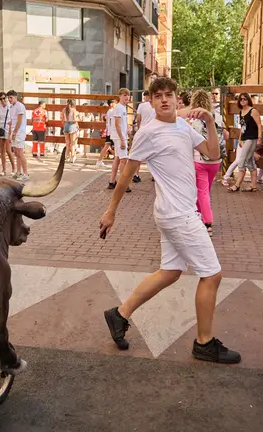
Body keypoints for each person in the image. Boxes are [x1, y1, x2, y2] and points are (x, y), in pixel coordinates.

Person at [100, 77, 240, 364]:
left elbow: (213, 155)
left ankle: (120, 314)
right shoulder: (148, 133)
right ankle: (204, 343)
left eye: (169, 95)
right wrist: (111, 210)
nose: (164, 99)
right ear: (151, 101)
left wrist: (211, 123)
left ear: (178, 99)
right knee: (212, 275)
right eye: (158, 95)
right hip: (177, 215)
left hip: (178, 211)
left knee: (171, 272)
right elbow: (126, 173)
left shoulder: (184, 128)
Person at [186, 90, 223, 237]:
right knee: (205, 190)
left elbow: (192, 141)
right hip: (216, 160)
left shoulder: (193, 120)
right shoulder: (217, 117)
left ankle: (207, 222)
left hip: (199, 159)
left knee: (201, 191)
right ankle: (201, 216)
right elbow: (224, 135)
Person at [228, 92, 262, 192]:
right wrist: (239, 138)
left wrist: (259, 138)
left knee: (242, 161)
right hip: (244, 138)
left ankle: (237, 184)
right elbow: (242, 127)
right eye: (241, 99)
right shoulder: (241, 111)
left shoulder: (253, 111)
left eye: (245, 99)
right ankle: (253, 185)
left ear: (248, 100)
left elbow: (259, 125)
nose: (243, 101)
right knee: (250, 161)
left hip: (252, 138)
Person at [108, 88, 132, 192]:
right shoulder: (118, 107)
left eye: (128, 95)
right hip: (119, 137)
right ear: (120, 96)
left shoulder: (122, 107)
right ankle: (123, 184)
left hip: (120, 136)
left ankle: (112, 182)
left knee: (118, 158)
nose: (127, 97)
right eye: (124, 95)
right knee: (123, 159)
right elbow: (117, 125)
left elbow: (121, 124)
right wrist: (122, 139)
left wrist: (127, 128)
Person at [133, 91, 156, 183]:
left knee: (139, 153)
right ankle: (154, 175)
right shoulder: (155, 105)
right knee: (154, 154)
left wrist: (139, 129)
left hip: (143, 131)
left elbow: (138, 119)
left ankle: (136, 174)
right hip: (153, 131)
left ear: (146, 96)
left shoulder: (141, 106)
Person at [7, 90, 29, 181]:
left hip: (20, 131)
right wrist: (10, 133)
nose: (9, 99)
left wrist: (15, 132)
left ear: (15, 97)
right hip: (14, 131)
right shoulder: (12, 107)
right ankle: (18, 172)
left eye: (10, 97)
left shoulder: (20, 106)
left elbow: (19, 121)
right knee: (16, 152)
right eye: (8, 98)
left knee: (20, 152)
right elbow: (13, 121)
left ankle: (26, 173)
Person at [0, 92, 16, 177]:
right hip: (0, 128)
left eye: (4, 98)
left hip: (8, 128)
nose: (3, 100)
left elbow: (14, 119)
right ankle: (4, 169)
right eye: (1, 99)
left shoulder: (10, 107)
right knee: (2, 150)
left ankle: (14, 168)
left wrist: (12, 132)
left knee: (8, 149)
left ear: (7, 98)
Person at [97, 99, 116, 168]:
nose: (115, 104)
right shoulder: (111, 112)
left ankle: (99, 161)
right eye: (114, 103)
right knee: (113, 146)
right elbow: (112, 122)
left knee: (107, 146)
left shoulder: (109, 111)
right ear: (111, 104)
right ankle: (118, 161)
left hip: (110, 131)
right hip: (112, 132)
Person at [62, 99, 80, 164]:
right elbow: (75, 119)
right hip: (72, 125)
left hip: (66, 125)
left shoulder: (64, 110)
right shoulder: (74, 110)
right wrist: (78, 118)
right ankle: (72, 157)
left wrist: (65, 124)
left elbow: (62, 119)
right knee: (72, 143)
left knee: (67, 143)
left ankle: (67, 156)